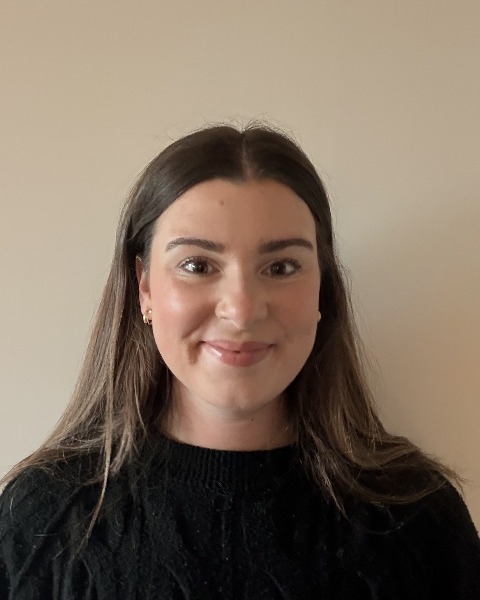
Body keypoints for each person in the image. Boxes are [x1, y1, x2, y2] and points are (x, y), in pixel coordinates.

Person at [1, 123, 479, 599]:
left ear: (322, 287)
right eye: (197, 265)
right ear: (144, 287)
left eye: (281, 267)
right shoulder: (39, 519)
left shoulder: (420, 520)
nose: (243, 310)